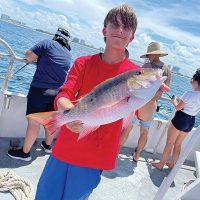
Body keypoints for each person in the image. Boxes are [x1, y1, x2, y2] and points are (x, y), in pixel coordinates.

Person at [35, 4, 140, 200]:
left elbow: (143, 113)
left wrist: (155, 92)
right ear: (104, 30)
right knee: (44, 195)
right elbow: (63, 94)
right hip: (66, 146)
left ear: (132, 36)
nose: (120, 30)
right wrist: (68, 111)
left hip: (96, 155)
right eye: (115, 25)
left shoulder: (137, 74)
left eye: (126, 27)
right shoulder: (83, 62)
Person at [7, 27, 72, 161]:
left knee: (34, 122)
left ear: (56, 37)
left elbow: (29, 56)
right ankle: (47, 146)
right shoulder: (68, 54)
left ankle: (24, 153)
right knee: (50, 122)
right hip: (57, 95)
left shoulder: (47, 43)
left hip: (40, 91)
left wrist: (38, 57)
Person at [119, 42, 171, 162]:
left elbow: (136, 85)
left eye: (149, 55)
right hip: (152, 105)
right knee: (144, 132)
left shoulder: (147, 66)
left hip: (139, 102)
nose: (148, 57)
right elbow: (164, 89)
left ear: (152, 54)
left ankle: (117, 150)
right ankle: (137, 156)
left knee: (127, 128)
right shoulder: (168, 71)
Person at [152, 70, 200, 169]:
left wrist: (174, 101)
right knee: (178, 144)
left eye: (192, 80)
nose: (191, 82)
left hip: (181, 118)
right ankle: (171, 164)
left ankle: (161, 164)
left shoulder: (189, 93)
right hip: (191, 121)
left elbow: (178, 107)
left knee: (169, 143)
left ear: (197, 82)